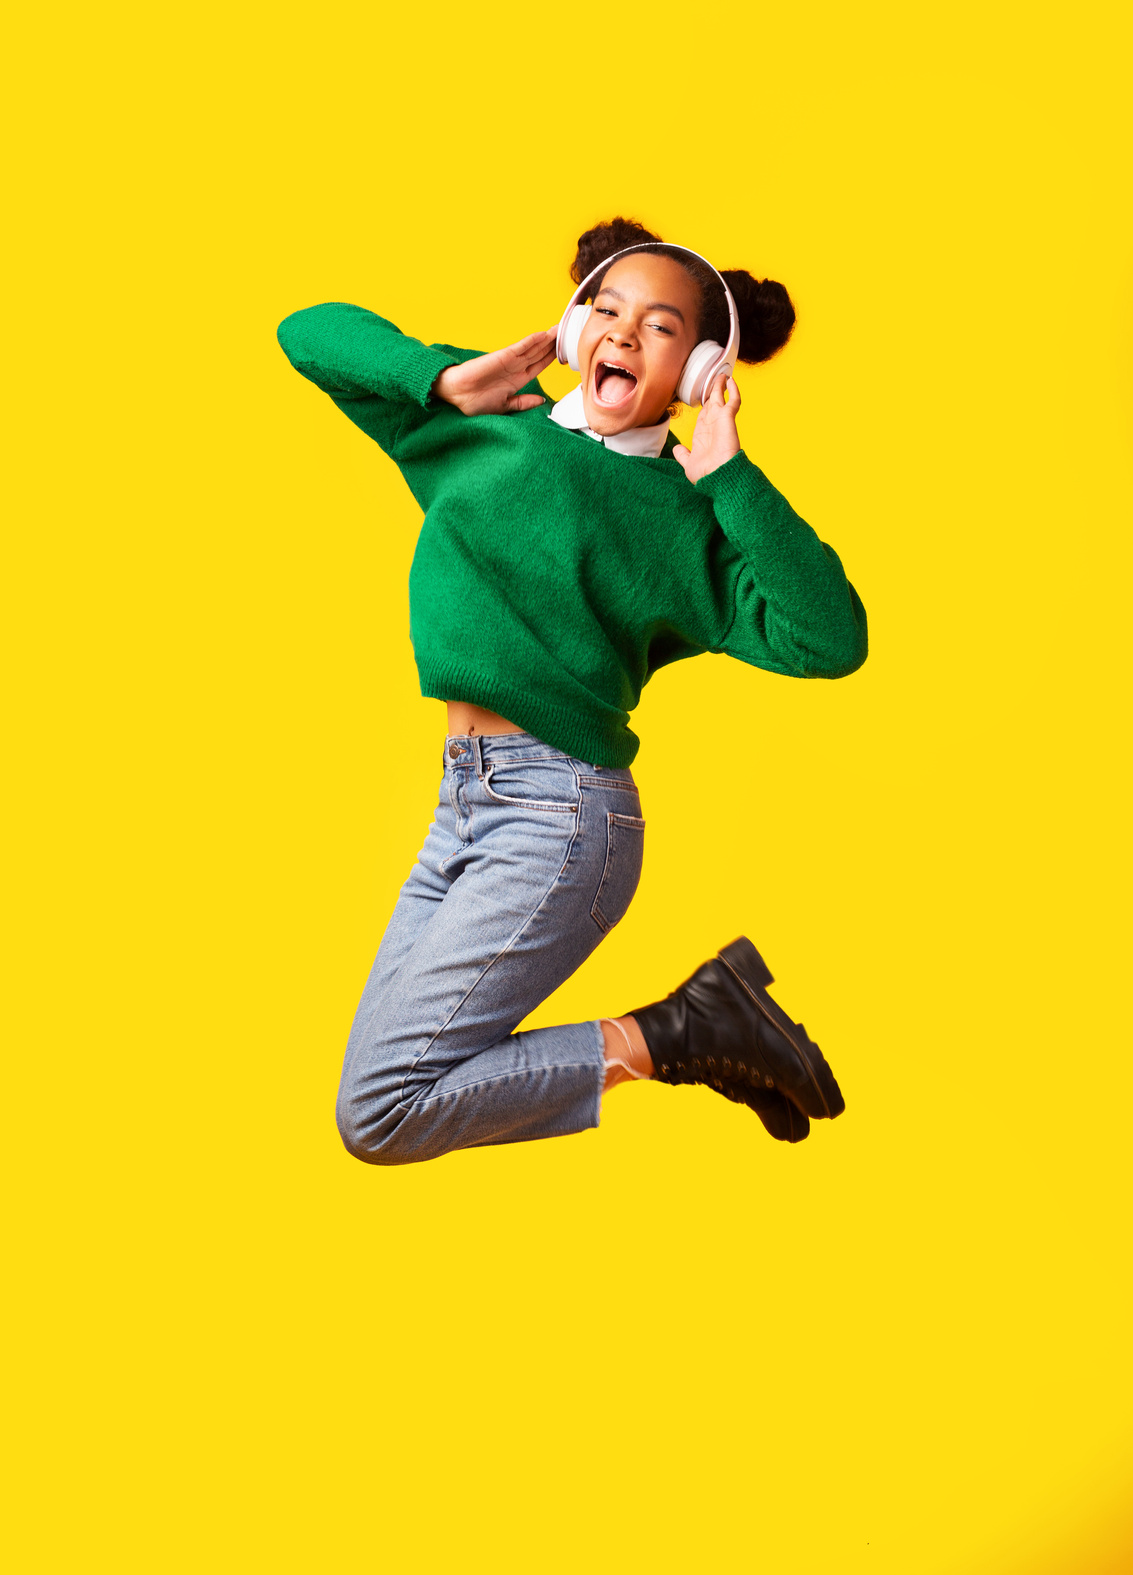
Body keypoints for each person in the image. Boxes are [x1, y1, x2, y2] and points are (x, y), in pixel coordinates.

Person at [277, 216, 867, 1165]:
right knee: (377, 1094)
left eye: (662, 327)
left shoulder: (687, 513)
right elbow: (307, 332)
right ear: (570, 323)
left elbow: (830, 637)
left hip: (560, 820)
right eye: (606, 307)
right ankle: (694, 1023)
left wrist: (732, 480)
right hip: (463, 803)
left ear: (703, 369)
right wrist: (437, 377)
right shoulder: (485, 419)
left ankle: (677, 1033)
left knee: (379, 1113)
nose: (624, 333)